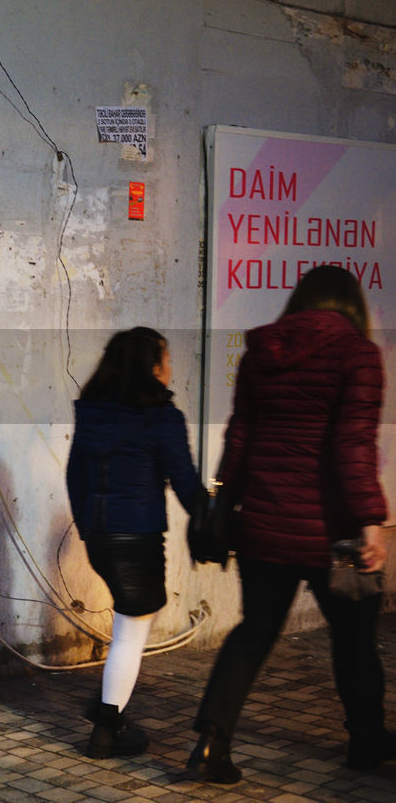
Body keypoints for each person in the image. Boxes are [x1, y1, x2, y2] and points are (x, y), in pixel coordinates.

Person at [186, 265, 389, 783]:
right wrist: (370, 522)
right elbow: (353, 444)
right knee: (354, 640)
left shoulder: (262, 353)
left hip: (265, 526)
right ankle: (366, 743)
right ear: (352, 306)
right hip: (334, 534)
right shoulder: (358, 355)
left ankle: (211, 743)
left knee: (253, 632)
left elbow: (241, 436)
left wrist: (222, 499)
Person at [67, 327, 202, 759]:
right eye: (165, 359)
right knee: (131, 630)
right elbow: (184, 482)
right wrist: (215, 521)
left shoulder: (93, 414)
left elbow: (76, 477)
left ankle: (109, 709)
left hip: (101, 536)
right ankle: (107, 727)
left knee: (133, 621)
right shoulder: (162, 418)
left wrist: (88, 528)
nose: (170, 369)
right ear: (151, 368)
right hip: (138, 536)